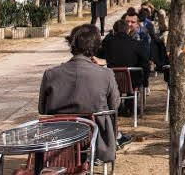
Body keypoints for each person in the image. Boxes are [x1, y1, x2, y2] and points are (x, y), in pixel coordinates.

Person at [38, 24, 127, 163]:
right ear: (96, 46)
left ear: (71, 44)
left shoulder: (50, 74)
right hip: (95, 137)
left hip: (59, 137)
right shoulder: (106, 74)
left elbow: (42, 109)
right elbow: (115, 105)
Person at [97, 19, 150, 88]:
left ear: (114, 31)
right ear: (128, 31)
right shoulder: (136, 44)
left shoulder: (107, 43)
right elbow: (145, 62)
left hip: (112, 80)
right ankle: (131, 98)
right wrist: (145, 81)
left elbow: (99, 56)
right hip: (132, 81)